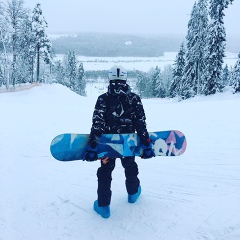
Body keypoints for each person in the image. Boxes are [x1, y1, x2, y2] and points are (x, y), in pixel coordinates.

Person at [84, 65, 155, 218]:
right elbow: (140, 123)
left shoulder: (102, 99)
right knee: (130, 166)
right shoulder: (134, 99)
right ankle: (133, 193)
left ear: (110, 79)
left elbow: (98, 124)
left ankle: (103, 206)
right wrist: (146, 142)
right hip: (128, 144)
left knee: (105, 171)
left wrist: (92, 146)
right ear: (125, 79)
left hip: (107, 146)